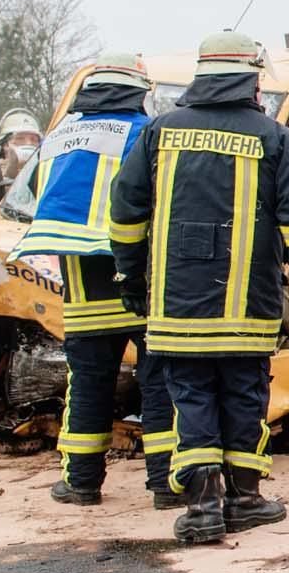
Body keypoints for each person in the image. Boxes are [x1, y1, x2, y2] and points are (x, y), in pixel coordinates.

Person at [110, 31, 289, 543]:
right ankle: (246, 499)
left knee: (191, 399)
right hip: (247, 307)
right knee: (243, 396)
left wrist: (129, 274)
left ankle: (203, 507)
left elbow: (126, 212)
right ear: (251, 79)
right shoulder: (273, 138)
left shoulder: (160, 132)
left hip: (175, 305)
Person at [12, 56, 175, 507]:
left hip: (83, 288)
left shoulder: (58, 137)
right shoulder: (148, 134)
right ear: (137, 91)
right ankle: (164, 484)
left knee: (87, 386)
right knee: (159, 382)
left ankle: (81, 483)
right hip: (141, 283)